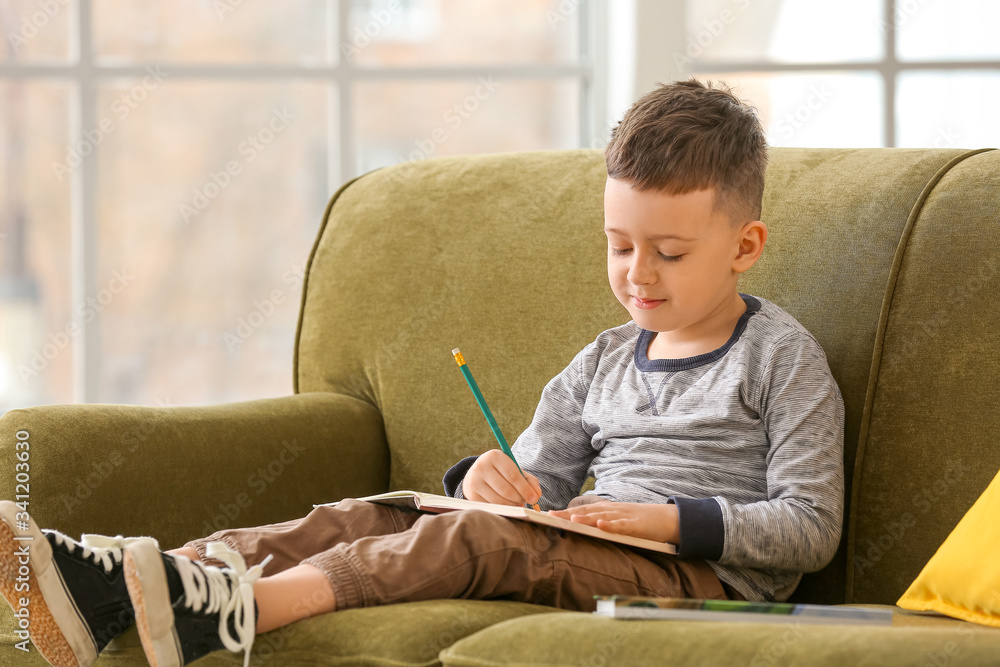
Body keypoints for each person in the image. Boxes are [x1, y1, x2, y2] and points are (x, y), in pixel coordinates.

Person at [0, 78, 844, 667]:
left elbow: (810, 526)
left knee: (472, 538)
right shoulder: (600, 359)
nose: (637, 275)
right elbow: (532, 490)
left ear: (744, 247)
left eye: (668, 252)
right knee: (377, 509)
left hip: (696, 580)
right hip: (588, 543)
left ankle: (230, 612)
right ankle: (134, 581)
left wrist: (662, 520)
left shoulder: (780, 356)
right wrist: (487, 476)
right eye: (619, 247)